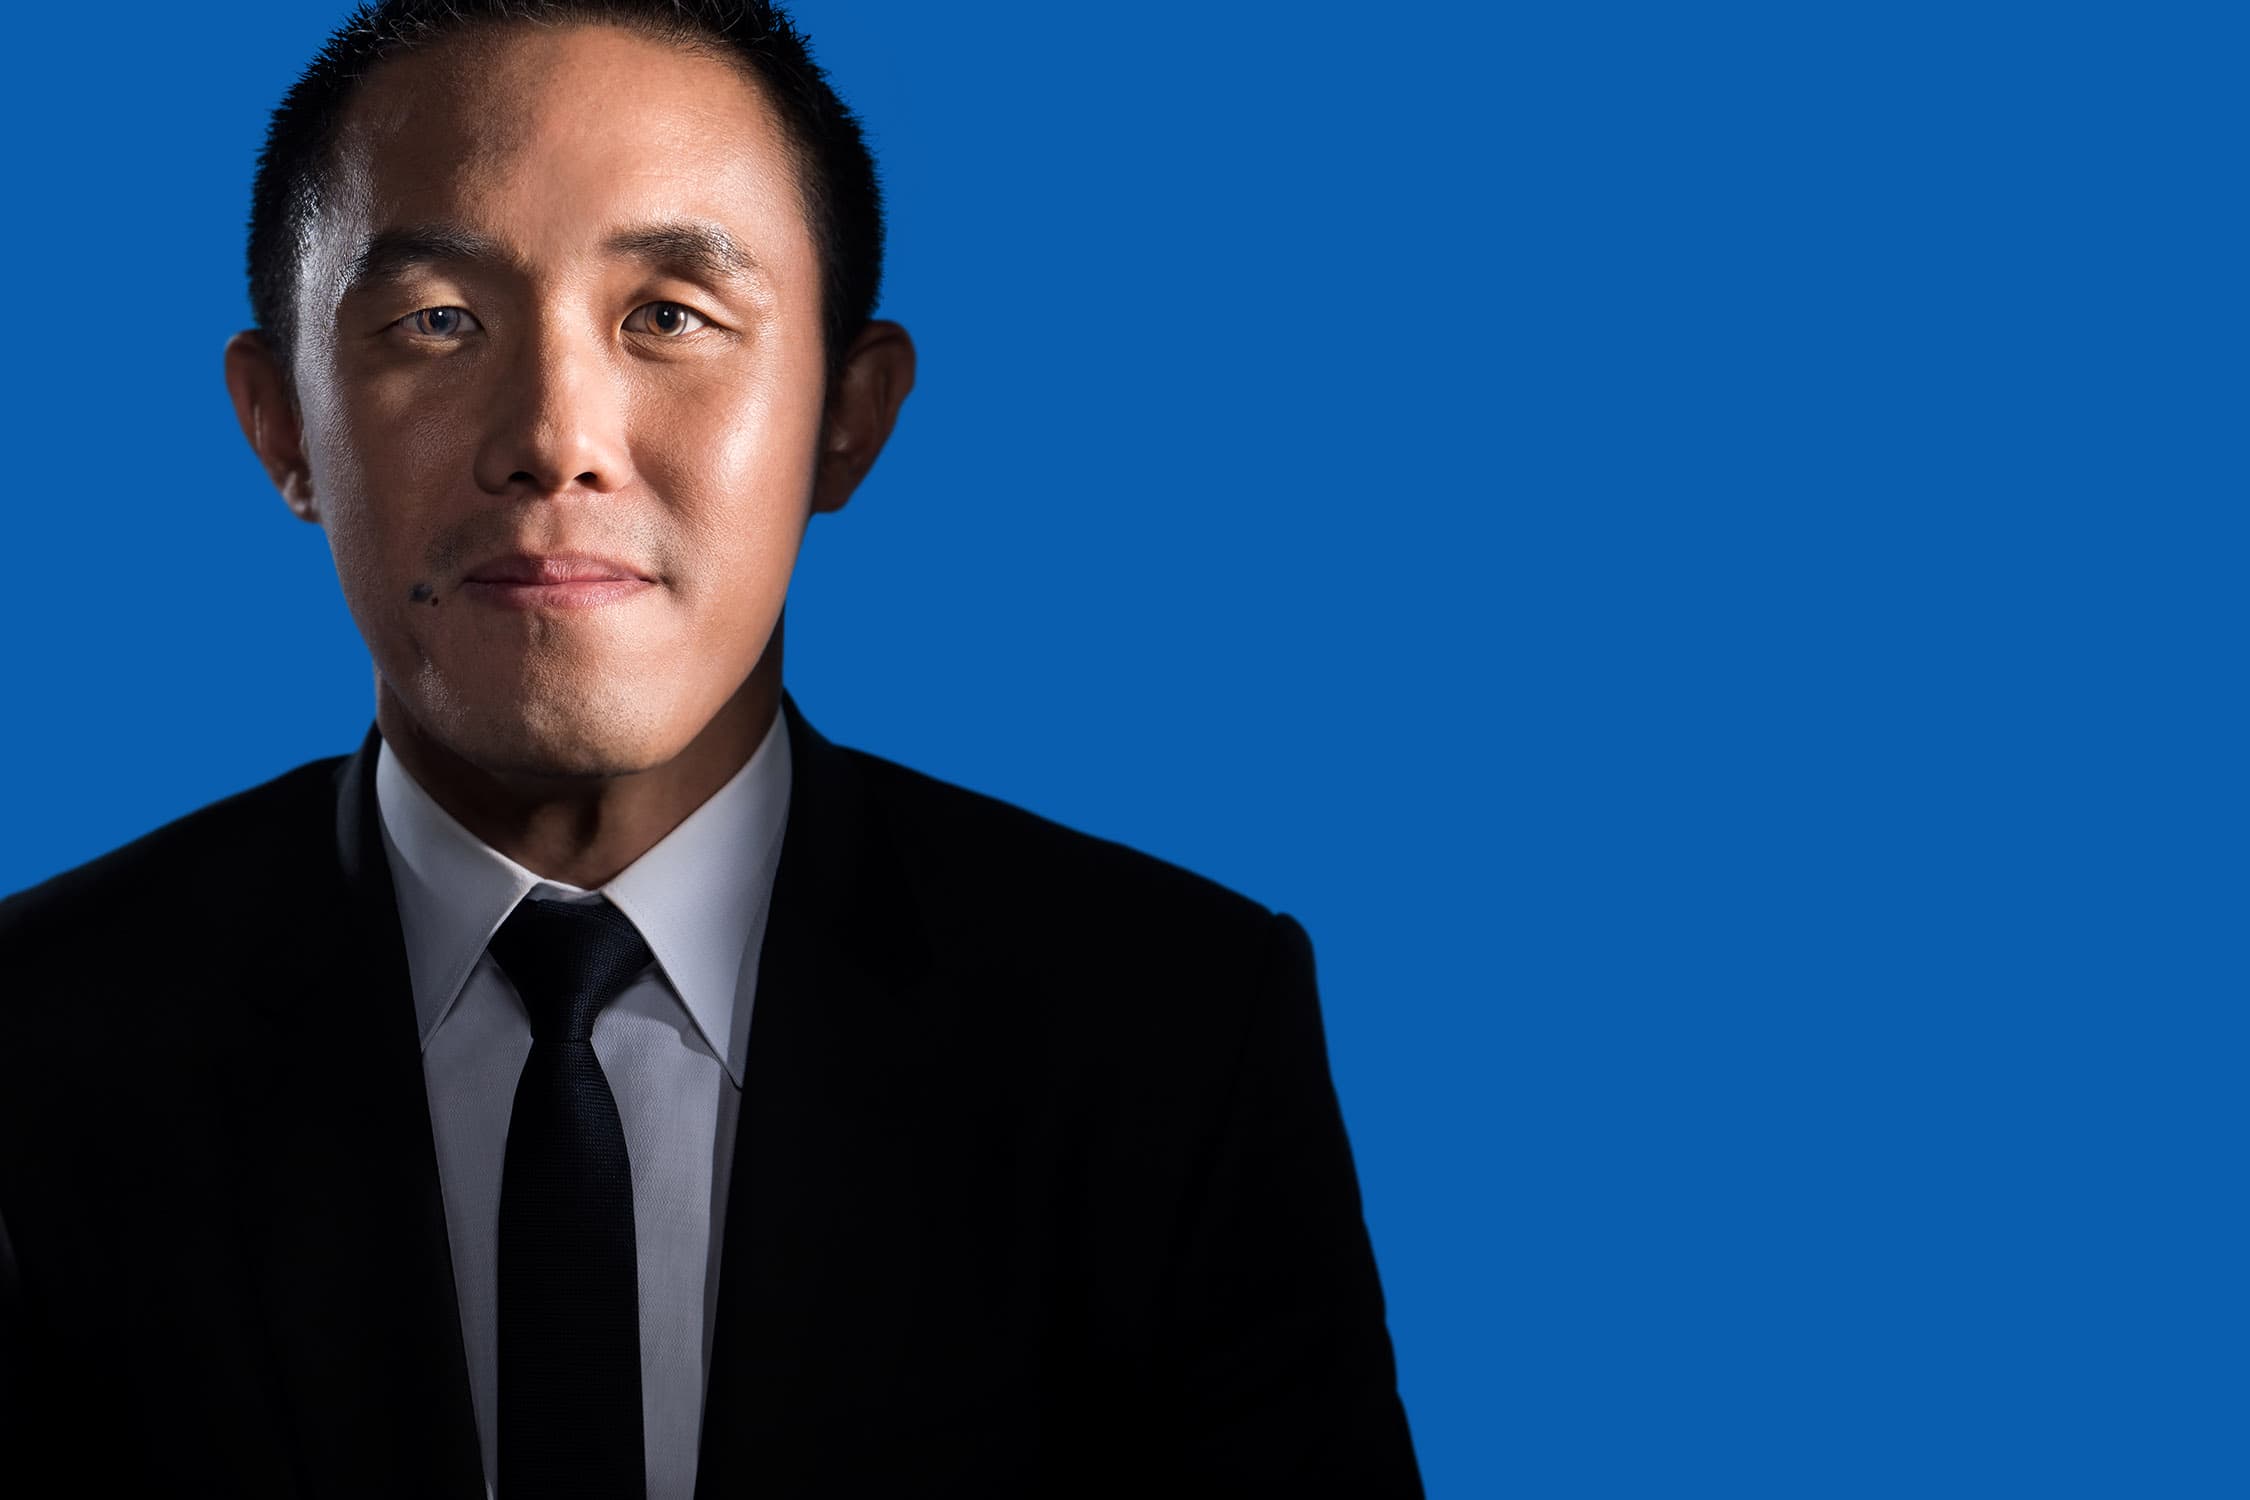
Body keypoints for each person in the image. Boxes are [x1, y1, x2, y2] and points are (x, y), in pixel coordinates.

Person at [0, 2, 1421, 1494]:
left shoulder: (1170, 1037)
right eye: (438, 321)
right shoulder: (37, 1050)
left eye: (668, 315)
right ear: (283, 422)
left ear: (846, 418)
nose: (555, 438)